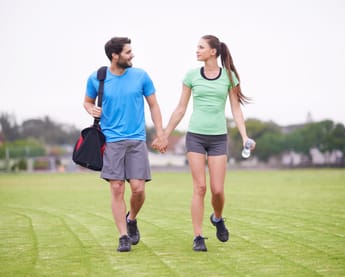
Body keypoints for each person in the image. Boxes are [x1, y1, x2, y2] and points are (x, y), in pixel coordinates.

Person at [153, 35, 255, 252]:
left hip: (218, 138)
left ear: (213, 52)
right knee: (200, 187)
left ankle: (217, 218)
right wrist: (164, 135)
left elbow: (236, 109)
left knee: (217, 191)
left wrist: (245, 137)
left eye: (201, 47)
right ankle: (198, 236)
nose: (196, 51)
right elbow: (180, 108)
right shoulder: (191, 75)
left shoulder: (229, 77)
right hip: (196, 137)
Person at [84, 37, 167, 253]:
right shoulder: (97, 78)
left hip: (137, 140)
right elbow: (87, 101)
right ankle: (122, 236)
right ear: (115, 55)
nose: (132, 55)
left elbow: (154, 106)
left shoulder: (141, 76)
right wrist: (90, 109)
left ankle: (132, 218)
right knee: (117, 187)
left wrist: (161, 133)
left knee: (138, 189)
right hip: (111, 141)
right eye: (128, 52)